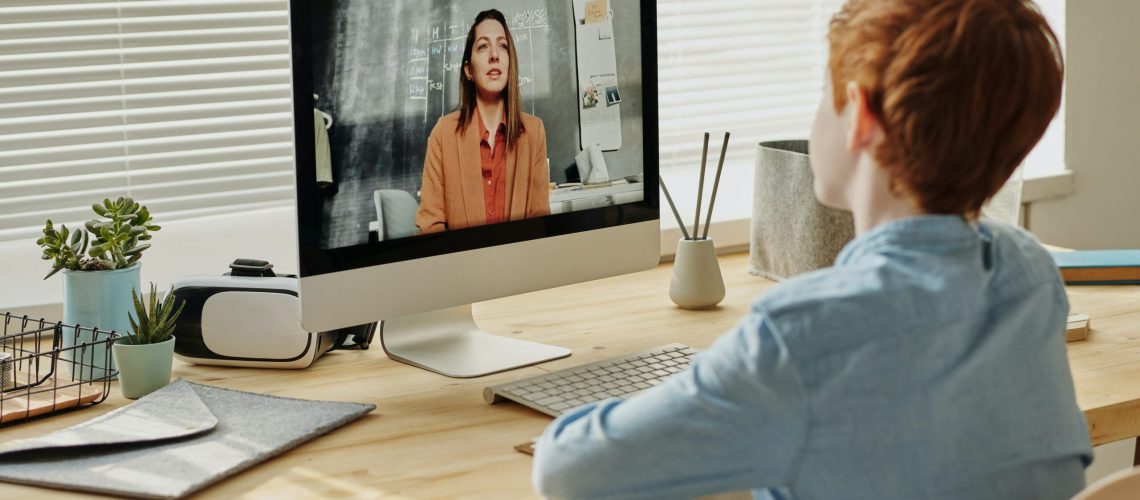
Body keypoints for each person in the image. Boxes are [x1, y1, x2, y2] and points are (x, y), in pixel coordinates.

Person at [532, 0, 1092, 498]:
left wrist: (699, 394)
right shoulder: (1029, 274)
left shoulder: (801, 336)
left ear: (861, 118)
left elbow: (567, 471)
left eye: (825, 94)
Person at [415, 9, 550, 235]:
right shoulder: (443, 134)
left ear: (510, 63)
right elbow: (431, 227)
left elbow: (540, 223)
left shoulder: (534, 132)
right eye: (483, 46)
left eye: (502, 46)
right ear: (468, 69)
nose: (494, 55)